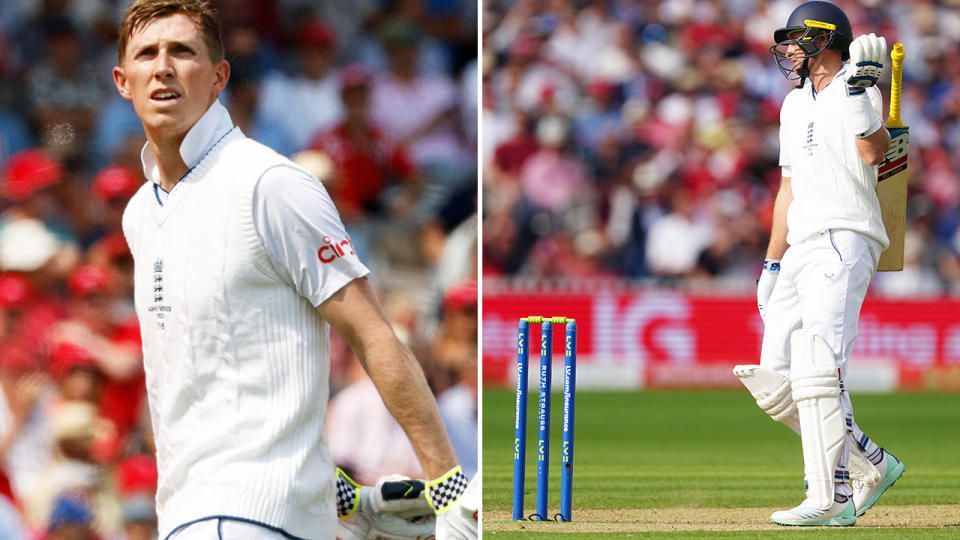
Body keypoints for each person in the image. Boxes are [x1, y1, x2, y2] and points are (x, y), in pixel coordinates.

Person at [110, 1, 477, 539]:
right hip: (192, 515)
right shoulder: (141, 214)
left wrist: (448, 489)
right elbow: (219, 398)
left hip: (243, 520)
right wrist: (341, 494)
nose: (163, 66)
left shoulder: (268, 184)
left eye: (182, 51)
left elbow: (375, 336)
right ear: (124, 81)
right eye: (147, 53)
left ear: (219, 77)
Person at [735, 1, 904, 527]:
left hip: (846, 232)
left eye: (795, 38)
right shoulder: (792, 105)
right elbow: (787, 188)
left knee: (819, 368)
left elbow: (878, 153)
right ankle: (871, 462)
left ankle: (829, 496)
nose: (786, 48)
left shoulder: (862, 84)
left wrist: (857, 97)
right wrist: (771, 264)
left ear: (824, 40)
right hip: (802, 240)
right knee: (775, 377)